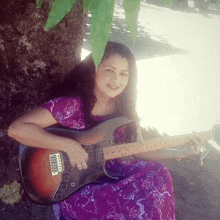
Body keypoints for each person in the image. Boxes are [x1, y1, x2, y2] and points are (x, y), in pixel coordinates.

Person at [8, 41, 204, 220]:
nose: (116, 79)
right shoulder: (71, 105)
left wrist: (181, 152)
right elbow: (17, 129)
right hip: (74, 184)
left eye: (123, 74)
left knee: (158, 173)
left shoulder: (126, 110)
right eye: (109, 70)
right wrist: (66, 145)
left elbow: (140, 149)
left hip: (110, 173)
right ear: (94, 70)